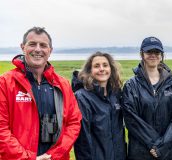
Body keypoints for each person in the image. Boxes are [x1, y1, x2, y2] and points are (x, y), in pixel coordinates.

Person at [0, 27, 82, 160]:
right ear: (23, 47)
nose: (38, 49)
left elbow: (74, 123)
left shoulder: (62, 84)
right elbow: (1, 129)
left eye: (43, 45)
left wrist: (53, 155)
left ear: (50, 51)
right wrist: (28, 158)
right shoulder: (5, 83)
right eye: (32, 44)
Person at [122, 36, 172, 160]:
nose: (153, 55)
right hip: (140, 152)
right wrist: (154, 144)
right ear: (142, 54)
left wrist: (162, 145)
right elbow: (132, 120)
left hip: (168, 152)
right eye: (149, 51)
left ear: (161, 55)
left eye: (157, 52)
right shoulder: (131, 85)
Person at [72, 52, 126, 160]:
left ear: (111, 69)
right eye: (96, 66)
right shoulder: (82, 97)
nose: (102, 69)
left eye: (105, 65)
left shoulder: (115, 94)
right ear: (90, 71)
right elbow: (82, 139)